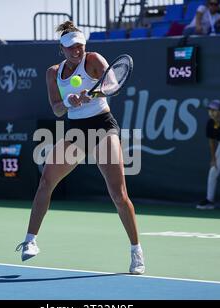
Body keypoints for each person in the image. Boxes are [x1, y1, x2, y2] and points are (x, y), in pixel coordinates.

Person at [15, 21, 145, 275]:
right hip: (76, 131)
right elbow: (56, 108)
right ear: (61, 49)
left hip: (103, 126)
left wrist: (93, 94)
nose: (77, 51)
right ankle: (30, 240)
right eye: (72, 48)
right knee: (46, 181)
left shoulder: (93, 59)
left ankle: (136, 250)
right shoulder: (53, 72)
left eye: (80, 46)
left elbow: (113, 85)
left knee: (118, 195)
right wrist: (69, 100)